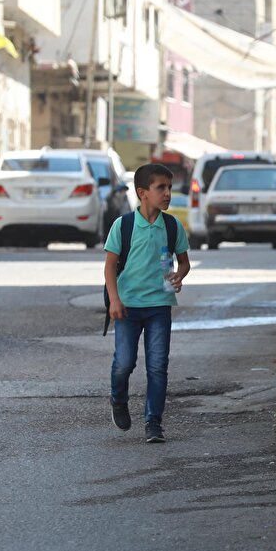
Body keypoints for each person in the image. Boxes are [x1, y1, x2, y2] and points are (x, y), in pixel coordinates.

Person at [105, 163, 191, 442]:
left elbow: (183, 262)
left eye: (169, 188)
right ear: (143, 193)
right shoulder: (124, 225)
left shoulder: (171, 225)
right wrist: (114, 300)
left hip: (159, 306)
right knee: (124, 363)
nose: (168, 194)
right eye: (161, 188)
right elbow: (109, 268)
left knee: (157, 366)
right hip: (127, 307)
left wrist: (179, 275)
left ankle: (153, 421)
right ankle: (118, 398)